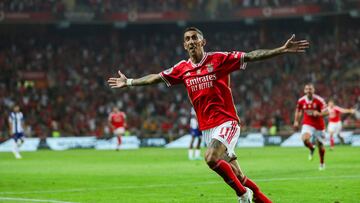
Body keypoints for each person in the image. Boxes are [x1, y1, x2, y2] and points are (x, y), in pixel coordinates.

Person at [108, 27, 309, 202]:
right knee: (238, 175)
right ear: (184, 45)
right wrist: (129, 82)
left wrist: (281, 50)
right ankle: (258, 197)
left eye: (194, 37)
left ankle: (242, 195)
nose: (191, 41)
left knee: (211, 158)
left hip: (226, 121)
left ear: (203, 41)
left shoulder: (219, 59)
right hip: (207, 128)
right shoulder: (182, 68)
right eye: (187, 39)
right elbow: (155, 78)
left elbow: (250, 56)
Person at [293, 84, 328, 170]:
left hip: (319, 126)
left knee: (320, 145)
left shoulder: (319, 100)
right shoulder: (301, 101)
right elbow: (298, 111)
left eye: (310, 89)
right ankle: (312, 148)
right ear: (304, 91)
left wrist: (319, 114)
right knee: (305, 139)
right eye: (307, 89)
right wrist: (296, 121)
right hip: (308, 124)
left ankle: (322, 163)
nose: (308, 90)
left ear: (313, 90)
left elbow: (327, 112)